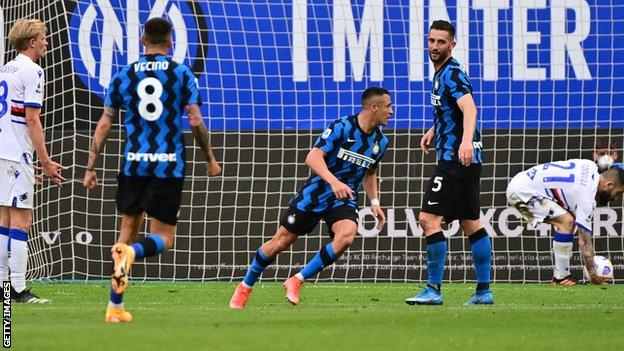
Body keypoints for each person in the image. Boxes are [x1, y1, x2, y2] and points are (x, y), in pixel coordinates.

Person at [82, 17, 221, 323]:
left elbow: (105, 121)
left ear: (142, 40)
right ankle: (131, 257)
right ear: (171, 42)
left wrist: (90, 166)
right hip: (167, 165)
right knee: (163, 237)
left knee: (125, 236)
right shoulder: (182, 73)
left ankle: (114, 306)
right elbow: (195, 120)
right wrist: (209, 157)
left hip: (133, 164)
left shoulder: (124, 75)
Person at [229, 87, 391, 309]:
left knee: (346, 236)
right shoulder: (342, 126)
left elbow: (370, 172)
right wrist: (334, 182)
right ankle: (245, 286)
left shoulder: (381, 142)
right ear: (374, 107)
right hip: (316, 193)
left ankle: (297, 279)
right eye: (388, 106)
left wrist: (374, 202)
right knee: (281, 242)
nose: (391, 111)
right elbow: (312, 157)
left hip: (343, 199)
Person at [405, 20, 492, 306]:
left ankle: (433, 289)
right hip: (466, 157)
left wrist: (465, 141)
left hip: (455, 158)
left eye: (441, 42)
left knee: (428, 220)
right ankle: (483, 292)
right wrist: (435, 130)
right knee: (471, 223)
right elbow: (451, 110)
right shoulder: (442, 74)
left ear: (452, 44)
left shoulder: (451, 73)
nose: (434, 46)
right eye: (431, 41)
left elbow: (469, 108)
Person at [0, 18, 67, 303]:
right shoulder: (33, 70)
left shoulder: (5, 68)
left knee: (4, 219)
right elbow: (32, 118)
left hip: (3, 151)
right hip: (17, 154)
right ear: (31, 42)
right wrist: (46, 160)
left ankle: (3, 285)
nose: (46, 41)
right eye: (43, 37)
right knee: (21, 220)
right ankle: (18, 288)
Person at [506, 159, 624, 286]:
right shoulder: (586, 198)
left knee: (569, 220)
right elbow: (584, 241)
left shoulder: (590, 165)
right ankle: (560, 277)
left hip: (523, 180)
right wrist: (593, 273)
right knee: (567, 222)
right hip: (522, 192)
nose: (616, 198)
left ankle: (560, 276)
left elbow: (615, 167)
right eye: (619, 193)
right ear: (609, 185)